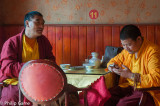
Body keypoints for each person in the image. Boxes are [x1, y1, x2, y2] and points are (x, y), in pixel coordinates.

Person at [0, 11, 55, 106]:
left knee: (57, 92)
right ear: (27, 23)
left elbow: (51, 61)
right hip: (16, 80)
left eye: (43, 23)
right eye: (37, 22)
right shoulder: (12, 42)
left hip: (39, 80)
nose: (42, 26)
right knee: (12, 96)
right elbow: (7, 68)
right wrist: (34, 66)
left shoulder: (43, 41)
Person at [104, 24, 160, 106]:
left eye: (129, 44)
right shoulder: (127, 51)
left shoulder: (152, 52)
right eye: (123, 45)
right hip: (130, 86)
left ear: (139, 39)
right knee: (106, 96)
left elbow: (157, 78)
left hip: (148, 91)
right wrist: (112, 67)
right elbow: (114, 61)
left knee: (122, 104)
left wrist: (131, 75)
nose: (126, 48)